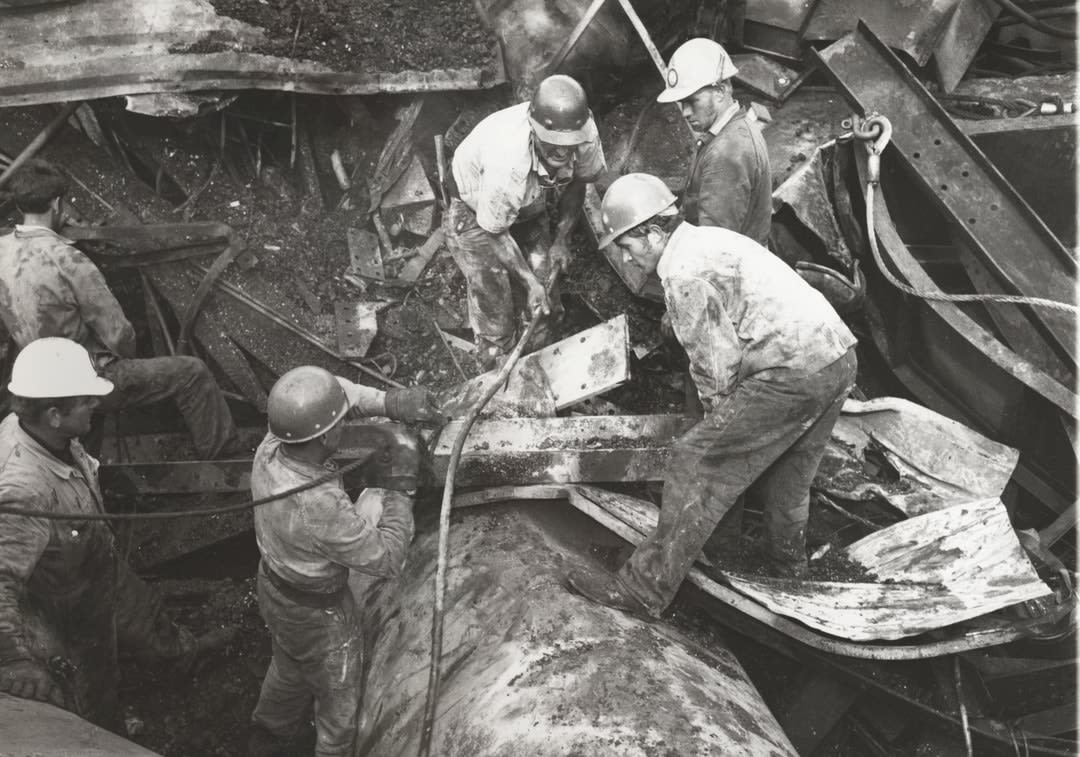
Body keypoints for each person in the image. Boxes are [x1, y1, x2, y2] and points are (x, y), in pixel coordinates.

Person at [568, 174, 857, 618]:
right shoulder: (707, 239)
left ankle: (643, 589)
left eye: (627, 245)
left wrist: (717, 432)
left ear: (652, 232)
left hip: (793, 371)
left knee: (695, 459)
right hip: (836, 357)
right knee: (790, 476)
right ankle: (788, 568)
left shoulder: (683, 274)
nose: (626, 258)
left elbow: (716, 367)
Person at [0, 337, 200, 727]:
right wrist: (13, 659)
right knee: (91, 688)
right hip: (65, 609)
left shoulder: (44, 431)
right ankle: (109, 729)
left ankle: (184, 655)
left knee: (144, 617)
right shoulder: (23, 490)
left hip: (93, 563)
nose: (96, 403)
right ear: (55, 413)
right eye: (86, 399)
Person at [248, 367, 442, 757]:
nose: (346, 424)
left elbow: (339, 395)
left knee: (289, 665)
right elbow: (386, 559)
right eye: (339, 423)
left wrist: (389, 402)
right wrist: (400, 491)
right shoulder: (317, 505)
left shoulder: (272, 445)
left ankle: (266, 735)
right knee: (340, 702)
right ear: (325, 436)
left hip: (275, 590)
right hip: (319, 617)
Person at [0, 158, 238, 459]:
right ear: (57, 204)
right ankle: (225, 461)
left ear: (21, 205)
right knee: (193, 372)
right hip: (86, 379)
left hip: (41, 382)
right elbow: (119, 335)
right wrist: (128, 360)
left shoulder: (3, 250)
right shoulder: (68, 260)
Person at [444, 74, 607, 369]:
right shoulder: (507, 162)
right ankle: (495, 366)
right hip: (475, 208)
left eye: (570, 144)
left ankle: (539, 358)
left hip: (529, 201)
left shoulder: (583, 131)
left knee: (547, 296)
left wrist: (561, 239)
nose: (562, 151)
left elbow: (579, 183)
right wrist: (528, 282)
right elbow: (496, 232)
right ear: (533, 130)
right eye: (553, 143)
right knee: (495, 301)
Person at [657, 38, 772, 247]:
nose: (685, 112)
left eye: (692, 101)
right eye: (682, 103)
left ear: (719, 91)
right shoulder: (732, 131)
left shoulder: (728, 153)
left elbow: (713, 246)